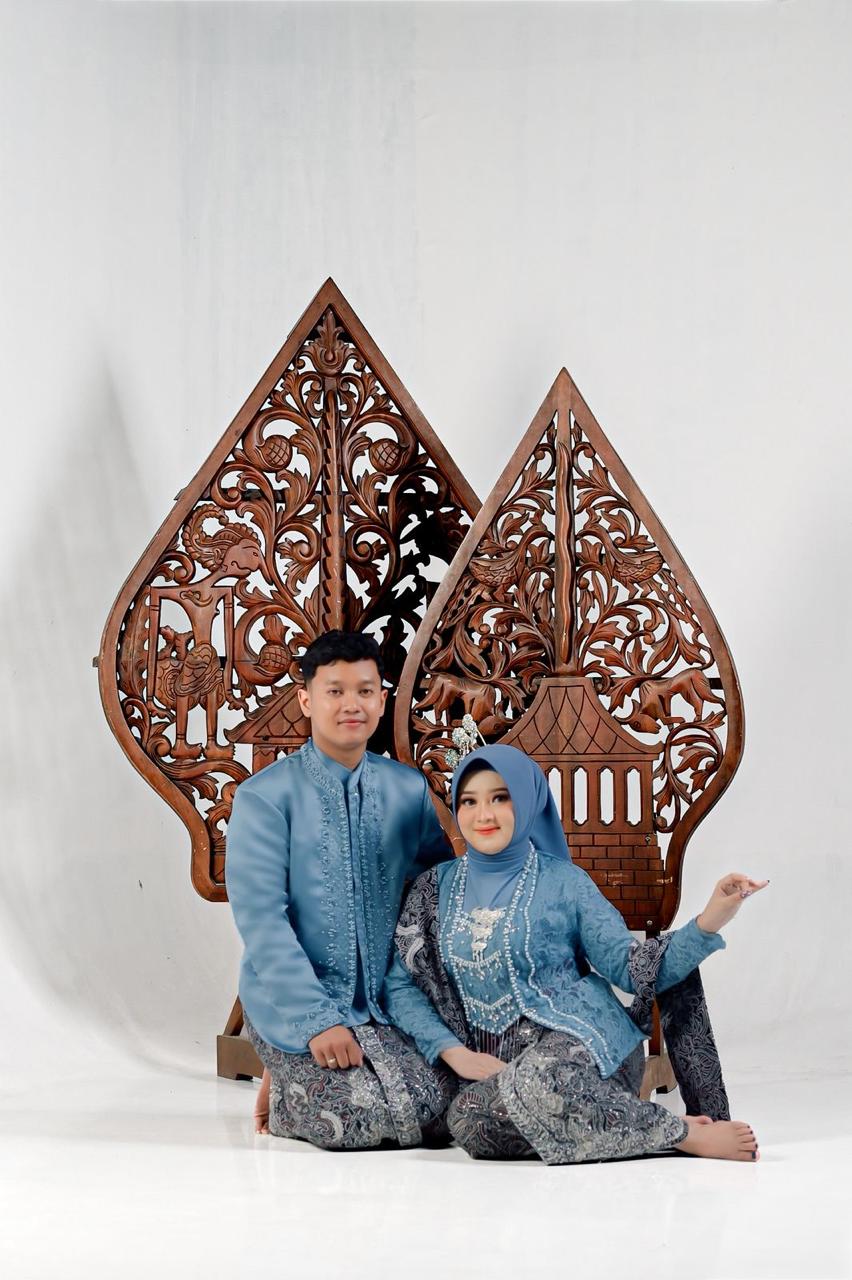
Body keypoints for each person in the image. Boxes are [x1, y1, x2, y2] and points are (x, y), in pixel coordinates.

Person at [382, 743, 767, 1165]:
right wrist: (454, 1053)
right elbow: (401, 985)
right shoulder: (433, 888)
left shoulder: (565, 882)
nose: (483, 815)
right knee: (470, 1120)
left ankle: (682, 1134)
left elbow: (629, 966)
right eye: (469, 801)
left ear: (527, 802)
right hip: (492, 1073)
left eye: (500, 798)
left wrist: (709, 920)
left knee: (542, 1082)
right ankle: (635, 1124)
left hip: (582, 1045)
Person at [225, 630, 455, 1149]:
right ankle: (285, 1087)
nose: (352, 704)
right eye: (335, 691)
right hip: (294, 1002)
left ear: (382, 700)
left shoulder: (407, 789)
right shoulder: (265, 798)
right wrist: (316, 1023)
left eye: (365, 691)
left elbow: (434, 895)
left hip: (387, 1002)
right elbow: (262, 922)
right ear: (306, 700)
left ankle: (293, 1078)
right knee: (355, 1121)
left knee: (441, 1106)